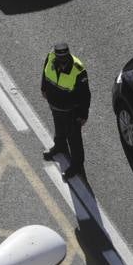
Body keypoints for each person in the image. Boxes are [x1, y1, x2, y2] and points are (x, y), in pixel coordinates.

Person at [40, 42, 89, 181]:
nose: (62, 63)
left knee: (74, 140)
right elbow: (45, 72)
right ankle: (60, 146)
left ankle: (77, 165)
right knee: (59, 129)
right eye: (60, 60)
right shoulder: (50, 57)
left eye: (65, 60)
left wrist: (83, 115)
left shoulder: (78, 70)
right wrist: (43, 88)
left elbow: (85, 95)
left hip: (71, 111)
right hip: (55, 105)